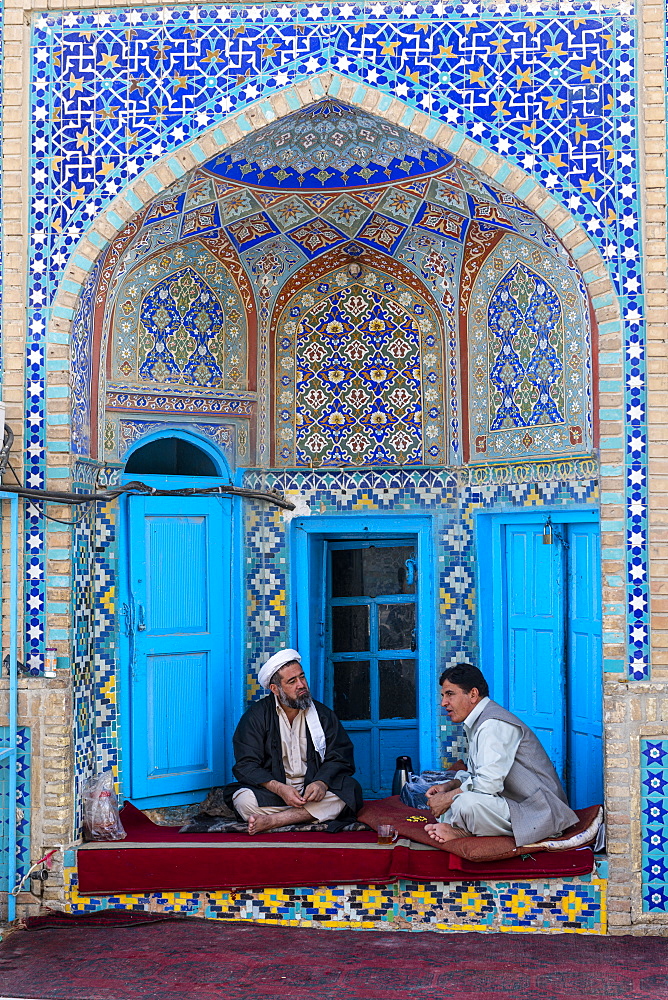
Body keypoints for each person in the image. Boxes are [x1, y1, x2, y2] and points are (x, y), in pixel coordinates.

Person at [424, 663, 578, 847]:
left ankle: (463, 832)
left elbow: (488, 784)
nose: (443, 703)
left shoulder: (493, 725)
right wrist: (450, 785)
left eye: (450, 694)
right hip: (516, 804)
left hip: (541, 811)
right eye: (443, 696)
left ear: (473, 694)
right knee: (458, 799)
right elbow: (478, 776)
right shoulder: (480, 722)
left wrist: (448, 798)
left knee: (465, 804)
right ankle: (463, 827)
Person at [223, 648, 363, 835]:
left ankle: (275, 820)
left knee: (350, 791)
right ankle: (309, 815)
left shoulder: (323, 715)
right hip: (276, 792)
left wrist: (322, 782)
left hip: (312, 792)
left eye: (302, 677)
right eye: (292, 681)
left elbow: (340, 755)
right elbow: (246, 765)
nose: (301, 685)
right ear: (275, 689)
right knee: (243, 800)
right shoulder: (255, 717)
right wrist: (280, 789)